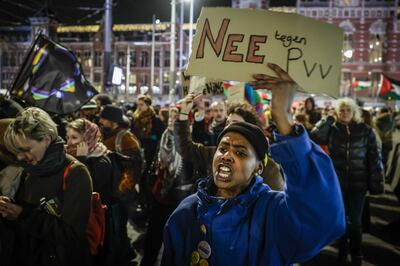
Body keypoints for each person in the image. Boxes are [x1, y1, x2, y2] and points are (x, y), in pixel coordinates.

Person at [162, 63, 346, 266]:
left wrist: (283, 119)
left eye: (240, 152)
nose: (227, 156)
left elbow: (321, 219)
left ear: (259, 167)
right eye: (223, 148)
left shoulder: (271, 212)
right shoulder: (186, 212)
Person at [0, 107, 92, 266]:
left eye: (25, 149)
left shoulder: (75, 173)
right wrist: (9, 209)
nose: (19, 157)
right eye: (16, 151)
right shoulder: (29, 169)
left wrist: (23, 215)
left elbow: (72, 234)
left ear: (46, 139)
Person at [311, 97, 384, 266]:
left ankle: (357, 253)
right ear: (337, 113)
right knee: (341, 219)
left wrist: (376, 182)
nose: (345, 113)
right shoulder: (332, 129)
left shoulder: (366, 130)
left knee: (356, 222)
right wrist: (327, 119)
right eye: (341, 110)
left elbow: (375, 157)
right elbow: (315, 137)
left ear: (354, 112)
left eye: (348, 110)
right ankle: (342, 250)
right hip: (337, 183)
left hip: (359, 184)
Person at [175, 97, 285, 191]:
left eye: (236, 124)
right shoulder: (217, 154)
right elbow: (185, 147)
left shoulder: (270, 169)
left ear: (258, 168)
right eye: (228, 123)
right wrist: (184, 112)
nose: (229, 127)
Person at [66, 118, 112, 206]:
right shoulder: (69, 154)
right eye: (67, 137)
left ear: (88, 139)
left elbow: (85, 187)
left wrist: (81, 159)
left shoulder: (101, 161)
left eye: (74, 138)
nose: (69, 143)